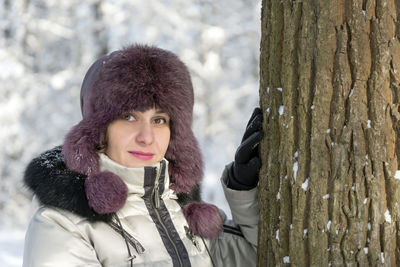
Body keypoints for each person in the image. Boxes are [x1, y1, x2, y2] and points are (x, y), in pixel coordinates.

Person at [23, 44, 263, 267]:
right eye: (129, 117)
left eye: (159, 120)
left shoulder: (187, 215)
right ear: (98, 129)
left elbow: (263, 256)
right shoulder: (62, 222)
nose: (146, 137)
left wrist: (243, 189)